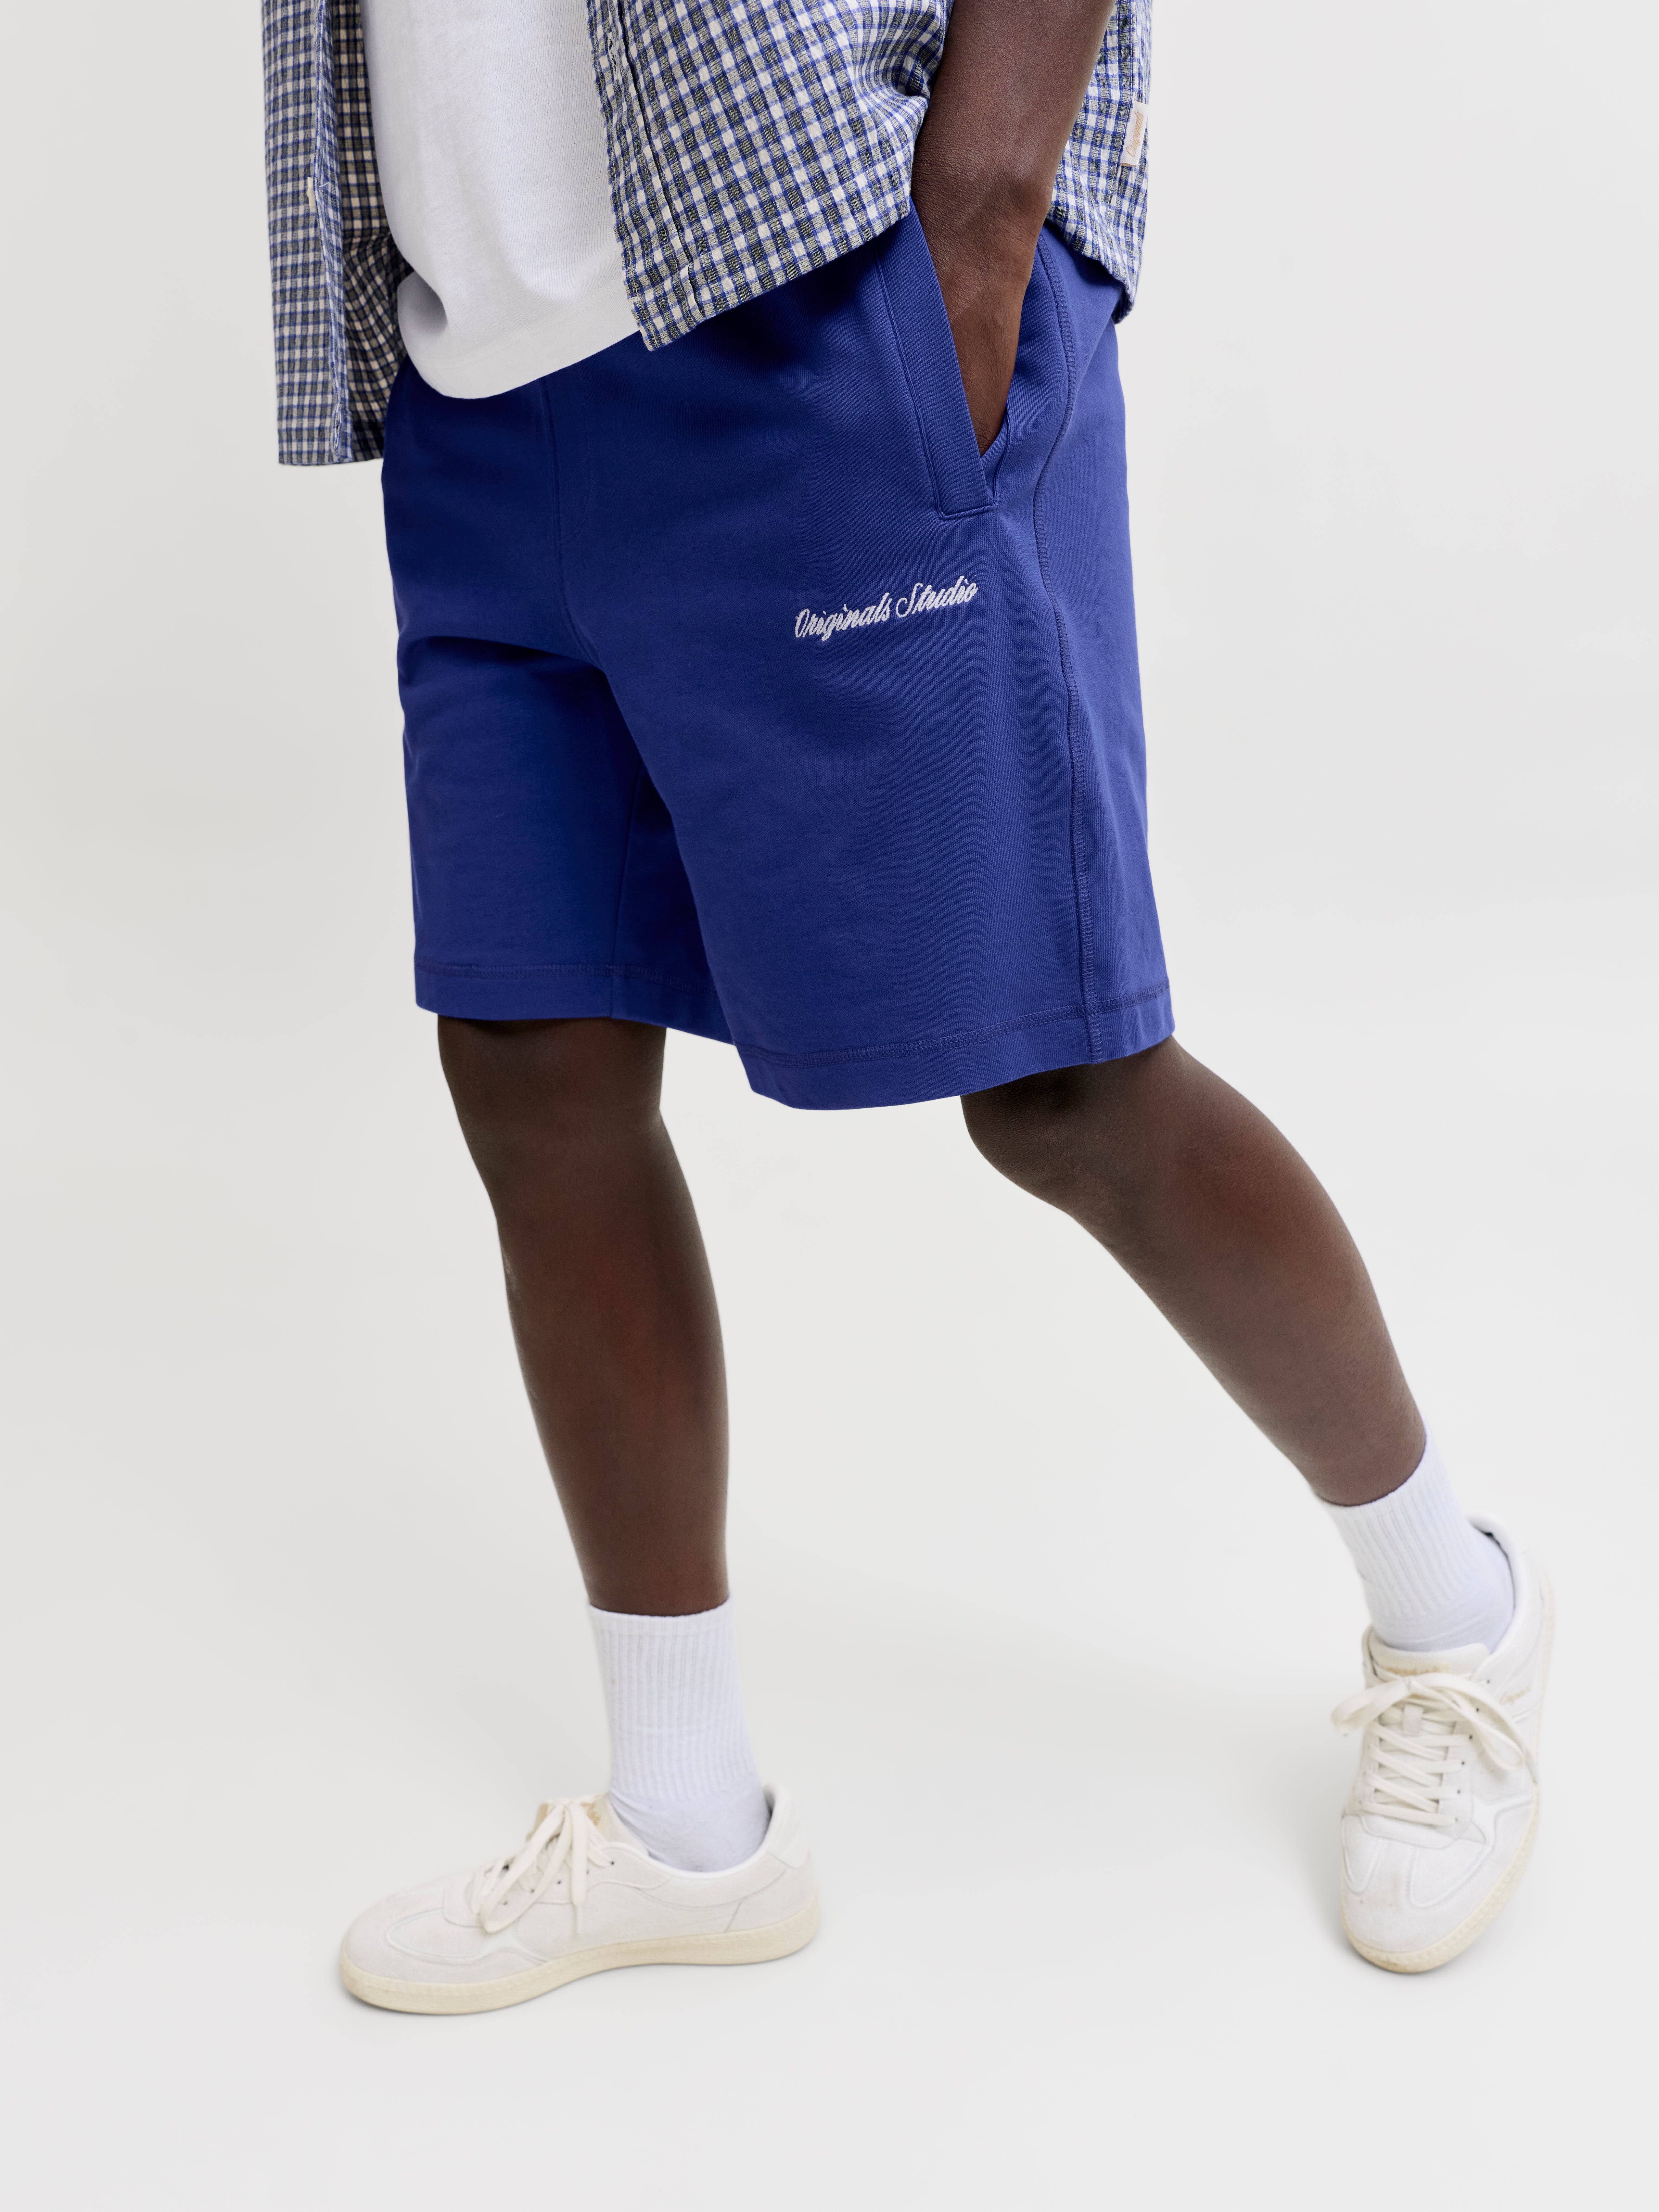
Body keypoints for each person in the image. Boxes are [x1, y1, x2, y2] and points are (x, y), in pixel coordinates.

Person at [262, 0, 1551, 2011]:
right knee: (531, 1062)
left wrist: (981, 211)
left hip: (816, 295)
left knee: (1064, 1082)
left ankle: (1453, 1626)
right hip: (481, 375)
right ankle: (690, 1827)